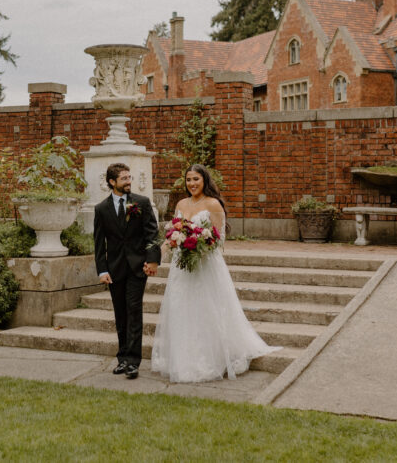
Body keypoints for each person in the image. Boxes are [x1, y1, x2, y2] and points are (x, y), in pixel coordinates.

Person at [151, 164, 280, 382]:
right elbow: (173, 234)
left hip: (206, 265)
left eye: (196, 179)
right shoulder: (181, 204)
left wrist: (198, 243)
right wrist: (159, 254)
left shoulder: (213, 204)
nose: (192, 184)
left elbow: (219, 241)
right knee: (182, 308)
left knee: (207, 308)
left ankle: (211, 357)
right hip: (182, 267)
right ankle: (184, 358)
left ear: (205, 181)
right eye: (188, 179)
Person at [93, 162, 160, 380]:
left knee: (134, 312)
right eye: (124, 179)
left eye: (129, 177)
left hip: (137, 267)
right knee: (120, 313)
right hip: (114, 269)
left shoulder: (142, 202)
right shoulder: (101, 209)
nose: (129, 181)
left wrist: (152, 261)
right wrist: (102, 270)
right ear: (112, 182)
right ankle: (122, 357)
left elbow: (152, 234)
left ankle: (133, 362)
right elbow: (98, 242)